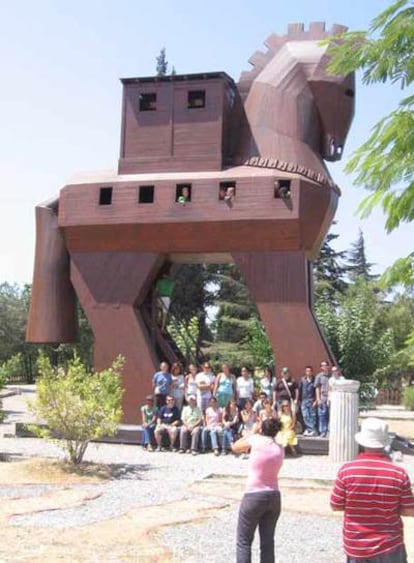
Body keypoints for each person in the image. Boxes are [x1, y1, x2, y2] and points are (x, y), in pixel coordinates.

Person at [330, 418, 414, 562]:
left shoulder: (347, 471)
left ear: (362, 442)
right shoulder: (398, 474)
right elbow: (409, 510)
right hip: (389, 544)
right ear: (385, 444)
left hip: (356, 546)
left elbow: (335, 505)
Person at [231, 418, 284, 563]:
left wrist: (252, 432)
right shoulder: (280, 448)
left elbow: (235, 447)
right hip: (274, 495)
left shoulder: (256, 440)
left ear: (262, 430)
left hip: (254, 494)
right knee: (267, 543)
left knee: (244, 541)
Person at [299, 365, 317, 436]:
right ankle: (308, 429)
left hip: (312, 400)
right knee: (305, 415)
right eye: (307, 371)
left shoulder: (315, 380)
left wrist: (316, 400)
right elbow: (300, 390)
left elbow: (317, 390)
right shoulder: (302, 380)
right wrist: (299, 400)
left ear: (312, 372)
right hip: (304, 400)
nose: (308, 372)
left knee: (312, 415)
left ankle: (313, 430)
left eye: (309, 371)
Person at [315, 360, 330, 437]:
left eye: (325, 365)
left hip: (331, 397)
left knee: (330, 415)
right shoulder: (319, 376)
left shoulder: (331, 376)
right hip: (322, 397)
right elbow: (317, 388)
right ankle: (322, 431)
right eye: (322, 366)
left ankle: (329, 431)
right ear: (321, 367)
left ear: (328, 366)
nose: (324, 367)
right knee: (322, 415)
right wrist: (318, 399)